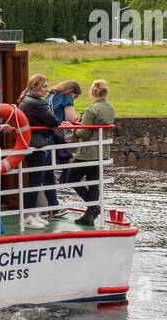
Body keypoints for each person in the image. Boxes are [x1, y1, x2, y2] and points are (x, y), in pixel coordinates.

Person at [67, 80, 115, 225]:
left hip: (87, 152)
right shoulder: (110, 108)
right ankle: (89, 215)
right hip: (102, 151)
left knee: (71, 179)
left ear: (92, 92)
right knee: (93, 183)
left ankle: (93, 208)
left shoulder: (91, 110)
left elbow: (84, 133)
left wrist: (72, 127)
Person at [17, 74, 62, 227]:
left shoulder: (26, 100)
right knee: (36, 181)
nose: (47, 90)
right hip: (36, 145)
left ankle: (32, 213)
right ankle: (27, 217)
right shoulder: (37, 103)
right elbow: (54, 122)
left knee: (36, 179)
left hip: (31, 143)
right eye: (44, 86)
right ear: (35, 87)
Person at [47, 80, 82, 183]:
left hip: (48, 134)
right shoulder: (66, 96)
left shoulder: (50, 97)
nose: (74, 99)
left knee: (48, 169)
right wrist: (77, 119)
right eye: (75, 96)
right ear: (72, 92)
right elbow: (70, 118)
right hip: (59, 135)